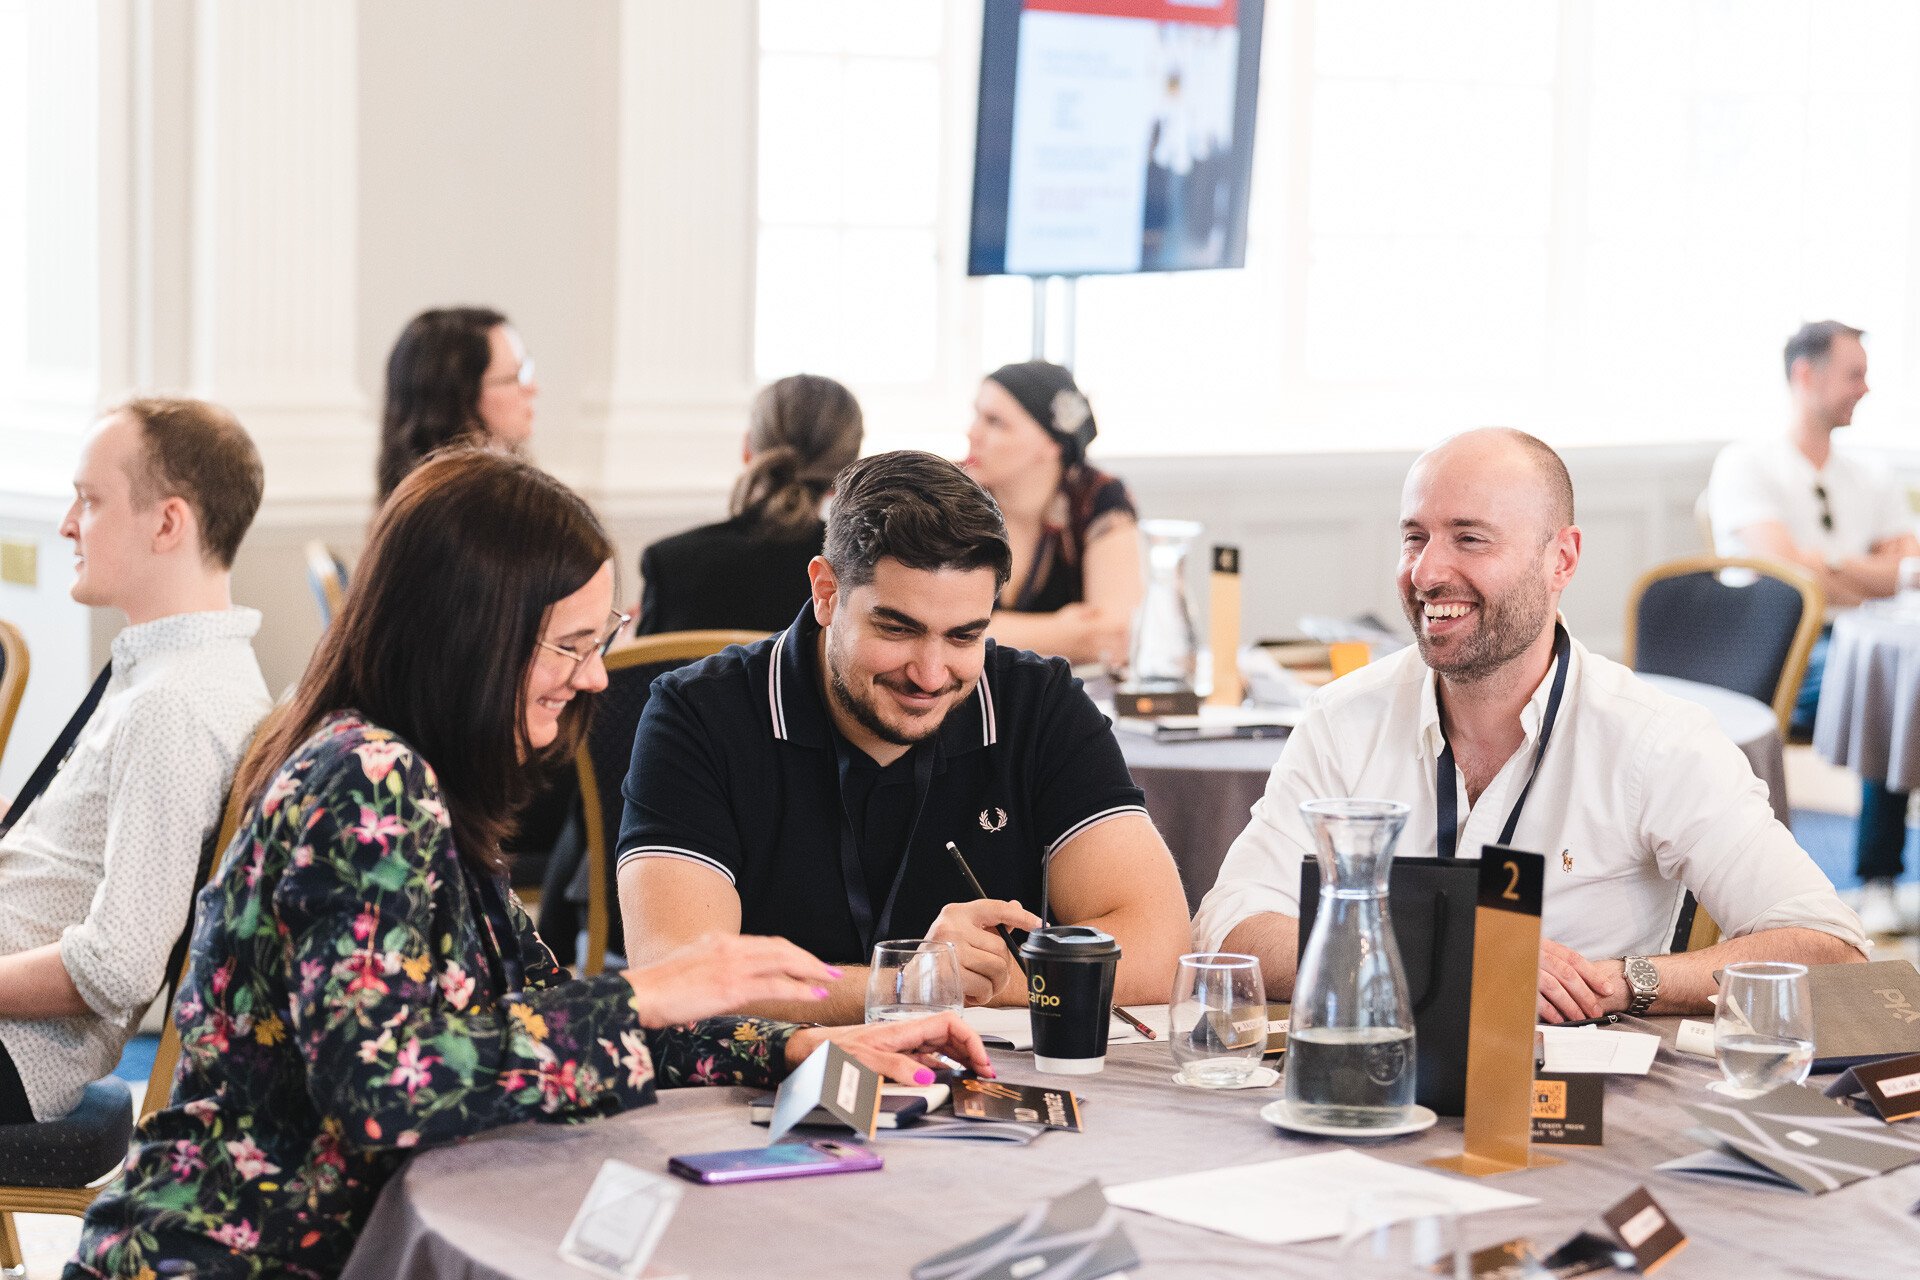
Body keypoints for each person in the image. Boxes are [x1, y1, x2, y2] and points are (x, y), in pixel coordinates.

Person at [66, 451, 990, 1279]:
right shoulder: (364, 779)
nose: (594, 678)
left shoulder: (421, 783)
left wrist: (786, 1046)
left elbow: (538, 1023)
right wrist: (645, 994)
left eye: (602, 641)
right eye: (572, 646)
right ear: (475, 634)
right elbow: (380, 1085)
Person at [1194, 428, 1869, 1024]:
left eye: (1469, 539)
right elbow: (1229, 927)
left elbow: (1832, 951)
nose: (1427, 572)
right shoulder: (1345, 719)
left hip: (1580, 1115)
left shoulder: (1654, 740)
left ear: (1562, 561)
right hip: (1372, 1090)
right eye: (1413, 537)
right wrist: (1457, 954)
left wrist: (1628, 980)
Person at [617, 451, 1191, 1023]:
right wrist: (917, 983)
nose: (931, 674)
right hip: (762, 1095)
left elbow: (1159, 951)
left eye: (965, 637)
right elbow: (675, 979)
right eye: (898, 629)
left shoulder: (1037, 703)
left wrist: (972, 981)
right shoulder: (697, 714)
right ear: (826, 591)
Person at [0, 398, 271, 1128]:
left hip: (14, 1052)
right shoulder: (169, 669)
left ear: (167, 523)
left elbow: (117, 965)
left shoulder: (174, 705)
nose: (66, 524)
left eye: (89, 501)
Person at [1707, 320, 1920, 934]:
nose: (1866, 388)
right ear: (1806, 375)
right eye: (1855, 374)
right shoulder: (1747, 464)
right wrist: (1869, 572)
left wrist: (1832, 569)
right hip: (1776, 652)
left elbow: (1904, 570)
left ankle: (1880, 876)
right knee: (1895, 685)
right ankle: (1878, 876)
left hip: (1864, 642)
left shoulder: (1872, 475)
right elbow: (1790, 578)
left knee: (1898, 676)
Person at [637, 372, 864, 635]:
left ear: (748, 449)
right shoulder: (857, 573)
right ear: (847, 470)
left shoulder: (670, 564)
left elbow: (647, 674)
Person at [962, 361, 1143, 666]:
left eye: (994, 422)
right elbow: (922, 630)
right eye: (976, 415)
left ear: (1051, 444)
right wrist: (1062, 632)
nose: (972, 433)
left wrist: (973, 633)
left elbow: (1114, 637)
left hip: (1060, 700)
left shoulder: (1096, 497)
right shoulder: (951, 493)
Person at [374, 306, 538, 502]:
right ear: (459, 396)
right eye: (516, 376)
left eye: (527, 370)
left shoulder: (511, 495)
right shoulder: (444, 515)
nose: (532, 388)